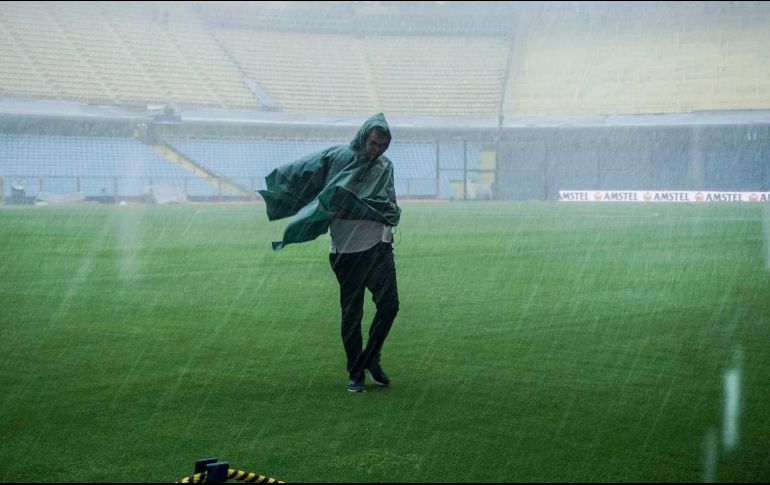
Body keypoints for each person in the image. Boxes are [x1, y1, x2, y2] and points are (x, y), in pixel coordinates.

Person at [259, 113, 401, 393]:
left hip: (379, 248)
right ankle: (356, 373)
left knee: (389, 306)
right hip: (346, 252)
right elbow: (308, 173)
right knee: (352, 314)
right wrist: (282, 189)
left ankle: (371, 358)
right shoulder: (339, 157)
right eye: (373, 143)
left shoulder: (385, 166)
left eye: (383, 145)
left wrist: (380, 220)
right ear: (363, 137)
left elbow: (387, 204)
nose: (377, 150)